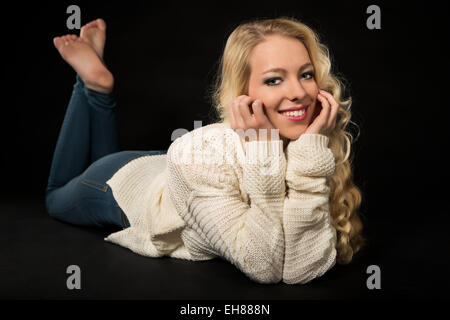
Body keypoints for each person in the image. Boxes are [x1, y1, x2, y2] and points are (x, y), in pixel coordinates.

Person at [45, 16, 365, 285]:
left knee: (102, 160)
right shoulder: (203, 153)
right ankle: (92, 86)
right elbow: (264, 268)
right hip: (123, 184)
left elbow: (301, 270)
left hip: (177, 172)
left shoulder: (309, 147)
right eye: (273, 80)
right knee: (55, 195)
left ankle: (97, 85)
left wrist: (311, 149)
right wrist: (266, 149)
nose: (298, 92)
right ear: (243, 92)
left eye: (306, 75)